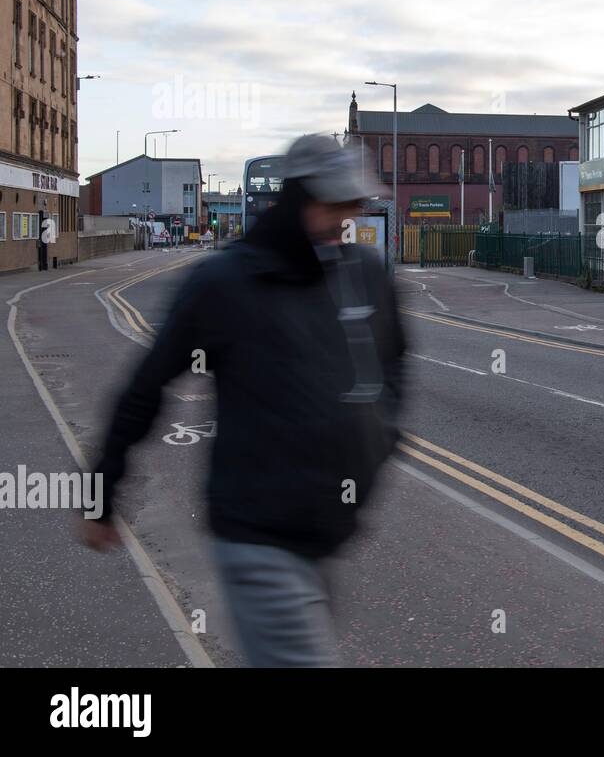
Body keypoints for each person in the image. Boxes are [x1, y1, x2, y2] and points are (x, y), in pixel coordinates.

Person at [82, 134, 405, 667]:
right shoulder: (226, 282)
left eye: (354, 204)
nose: (348, 217)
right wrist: (100, 493)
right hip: (256, 531)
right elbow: (147, 385)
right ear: (302, 199)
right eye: (335, 204)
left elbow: (395, 363)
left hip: (327, 530)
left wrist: (379, 437)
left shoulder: (364, 273)